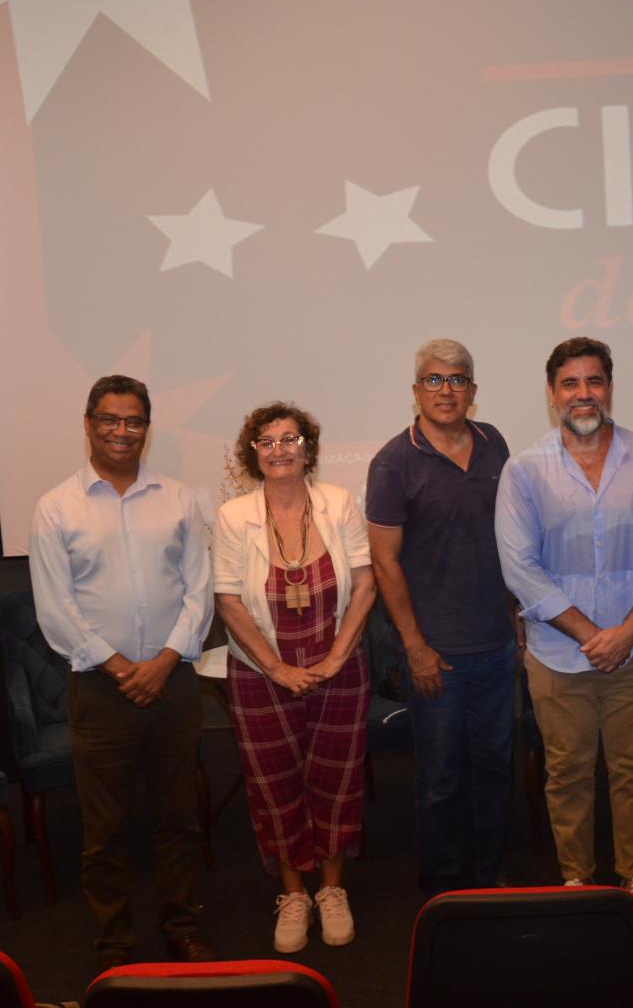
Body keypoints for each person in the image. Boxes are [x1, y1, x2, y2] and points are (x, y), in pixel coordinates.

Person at [29, 375, 214, 972]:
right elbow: (56, 608)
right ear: (88, 424)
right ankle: (114, 942)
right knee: (104, 832)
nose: (122, 432)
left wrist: (162, 663)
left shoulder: (181, 500)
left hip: (173, 685)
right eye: (110, 420)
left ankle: (180, 928)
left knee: (178, 821)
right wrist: (119, 668)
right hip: (101, 692)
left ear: (146, 429)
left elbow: (200, 593)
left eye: (133, 421)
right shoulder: (56, 507)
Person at [495, 337, 633, 942]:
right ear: (552, 395)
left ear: (609, 388)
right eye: (570, 384)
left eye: (594, 381)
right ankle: (576, 880)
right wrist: (591, 634)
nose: (583, 394)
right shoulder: (523, 470)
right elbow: (519, 567)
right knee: (567, 771)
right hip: (557, 652)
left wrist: (626, 632)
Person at [213, 402, 377, 953]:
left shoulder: (339, 504)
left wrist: (333, 658)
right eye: (267, 441)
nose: (279, 449)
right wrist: (277, 666)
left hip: (340, 665)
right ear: (253, 453)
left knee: (335, 779)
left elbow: (366, 584)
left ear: (308, 448)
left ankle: (331, 891)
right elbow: (230, 601)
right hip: (261, 671)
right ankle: (293, 895)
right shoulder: (234, 516)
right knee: (274, 783)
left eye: (290, 439)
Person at [366, 339, 515, 895]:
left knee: (494, 769)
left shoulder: (494, 442)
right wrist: (416, 647)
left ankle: (488, 877)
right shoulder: (393, 462)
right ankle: (444, 892)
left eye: (457, 380)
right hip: (437, 655)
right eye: (434, 380)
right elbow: (384, 562)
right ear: (416, 391)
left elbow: (510, 538)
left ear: (472, 392)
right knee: (440, 780)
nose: (446, 390)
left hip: (497, 646)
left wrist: (517, 617)